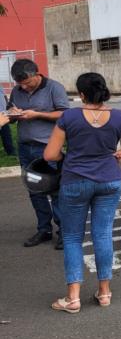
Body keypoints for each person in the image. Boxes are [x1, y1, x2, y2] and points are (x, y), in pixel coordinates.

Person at [44, 72, 121, 314]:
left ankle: (73, 298)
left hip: (75, 181)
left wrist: (67, 158)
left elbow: (50, 155)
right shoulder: (120, 117)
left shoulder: (69, 117)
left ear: (82, 94)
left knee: (74, 238)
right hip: (110, 181)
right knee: (103, 235)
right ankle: (104, 292)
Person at [8, 59, 69, 247]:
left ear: (36, 73)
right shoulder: (16, 91)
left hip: (48, 147)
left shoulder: (54, 88)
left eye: (27, 83)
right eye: (20, 84)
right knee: (34, 189)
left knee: (55, 189)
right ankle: (44, 229)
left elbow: (65, 115)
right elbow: (10, 113)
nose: (24, 87)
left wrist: (37, 114)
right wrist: (13, 113)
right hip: (25, 147)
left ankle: (64, 232)